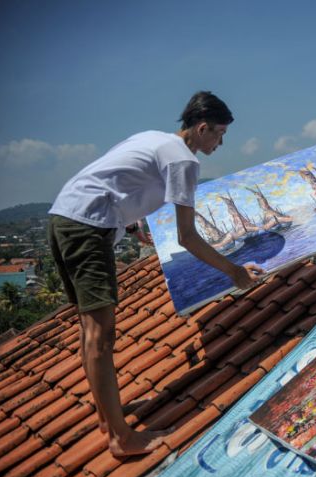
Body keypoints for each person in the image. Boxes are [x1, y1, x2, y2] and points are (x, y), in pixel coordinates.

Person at [47, 91, 264, 456]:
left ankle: (107, 416)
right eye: (219, 134)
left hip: (64, 218)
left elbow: (118, 181)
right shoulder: (184, 161)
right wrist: (234, 272)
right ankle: (121, 438)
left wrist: (132, 227)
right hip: (88, 228)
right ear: (202, 127)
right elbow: (187, 237)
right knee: (101, 335)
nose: (220, 142)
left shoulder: (153, 138)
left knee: (89, 331)